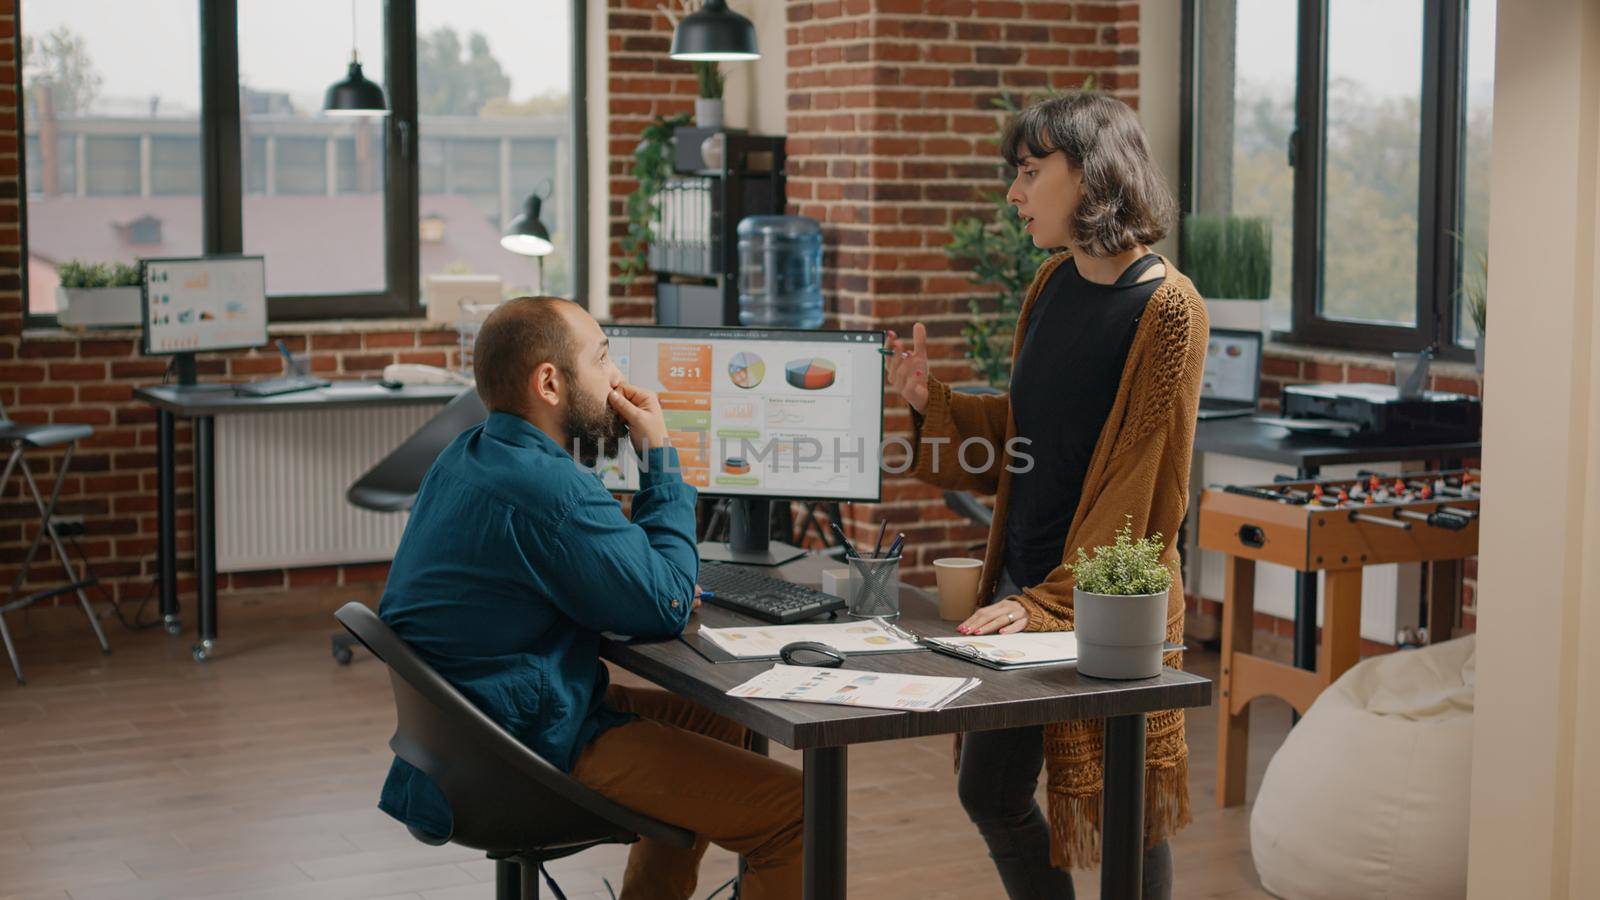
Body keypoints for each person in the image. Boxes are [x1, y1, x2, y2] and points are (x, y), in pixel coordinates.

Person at [886, 92, 1209, 899]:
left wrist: (1046, 606)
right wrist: (937, 405)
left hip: (1109, 603)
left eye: (1030, 173)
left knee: (1126, 812)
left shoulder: (1169, 311)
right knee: (988, 791)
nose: (1014, 194)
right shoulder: (1052, 283)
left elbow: (1139, 487)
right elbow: (1032, 437)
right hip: (1024, 588)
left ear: (1091, 175)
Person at [377, 296, 803, 899]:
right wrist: (659, 457)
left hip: (465, 738)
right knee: (796, 814)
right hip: (527, 746)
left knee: (715, 718)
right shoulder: (551, 490)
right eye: (603, 357)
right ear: (549, 382)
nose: (618, 377)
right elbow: (667, 605)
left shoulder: (467, 454)